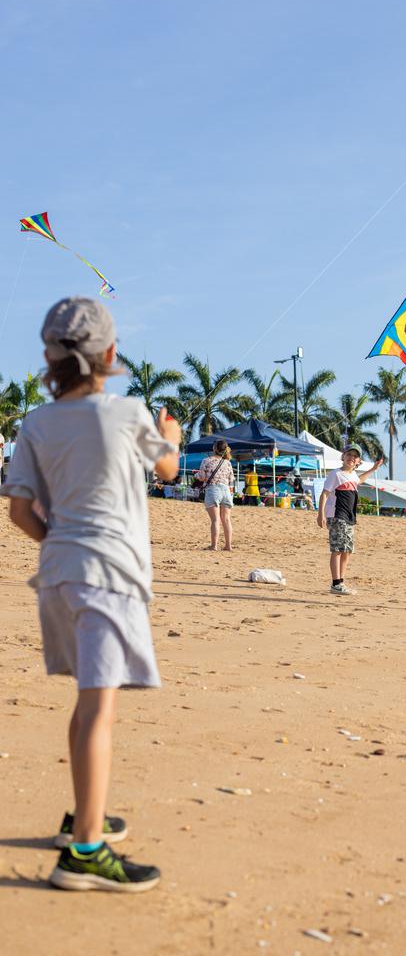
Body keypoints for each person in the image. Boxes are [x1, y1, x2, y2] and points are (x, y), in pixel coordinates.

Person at [0, 296, 180, 892]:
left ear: (51, 358)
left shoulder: (34, 423)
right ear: (110, 354)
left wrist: (63, 543)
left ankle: (86, 814)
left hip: (57, 574)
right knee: (101, 708)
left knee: (87, 700)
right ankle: (84, 852)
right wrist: (170, 433)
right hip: (110, 576)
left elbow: (20, 512)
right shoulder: (129, 413)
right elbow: (170, 471)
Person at [317, 445, 383, 595]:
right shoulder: (336, 474)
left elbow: (359, 480)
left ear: (358, 461)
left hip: (349, 517)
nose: (351, 458)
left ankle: (341, 582)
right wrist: (320, 514)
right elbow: (324, 494)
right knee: (337, 550)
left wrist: (373, 469)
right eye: (349, 454)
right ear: (343, 456)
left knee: (347, 550)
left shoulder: (352, 475)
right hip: (336, 515)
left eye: (355, 456)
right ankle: (336, 583)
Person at [196, 440, 235, 551]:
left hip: (213, 490)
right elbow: (231, 479)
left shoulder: (206, 460)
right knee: (226, 520)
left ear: (215, 448)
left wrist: (196, 475)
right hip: (226, 490)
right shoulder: (227, 462)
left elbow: (202, 477)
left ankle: (214, 546)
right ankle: (228, 546)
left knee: (215, 520)